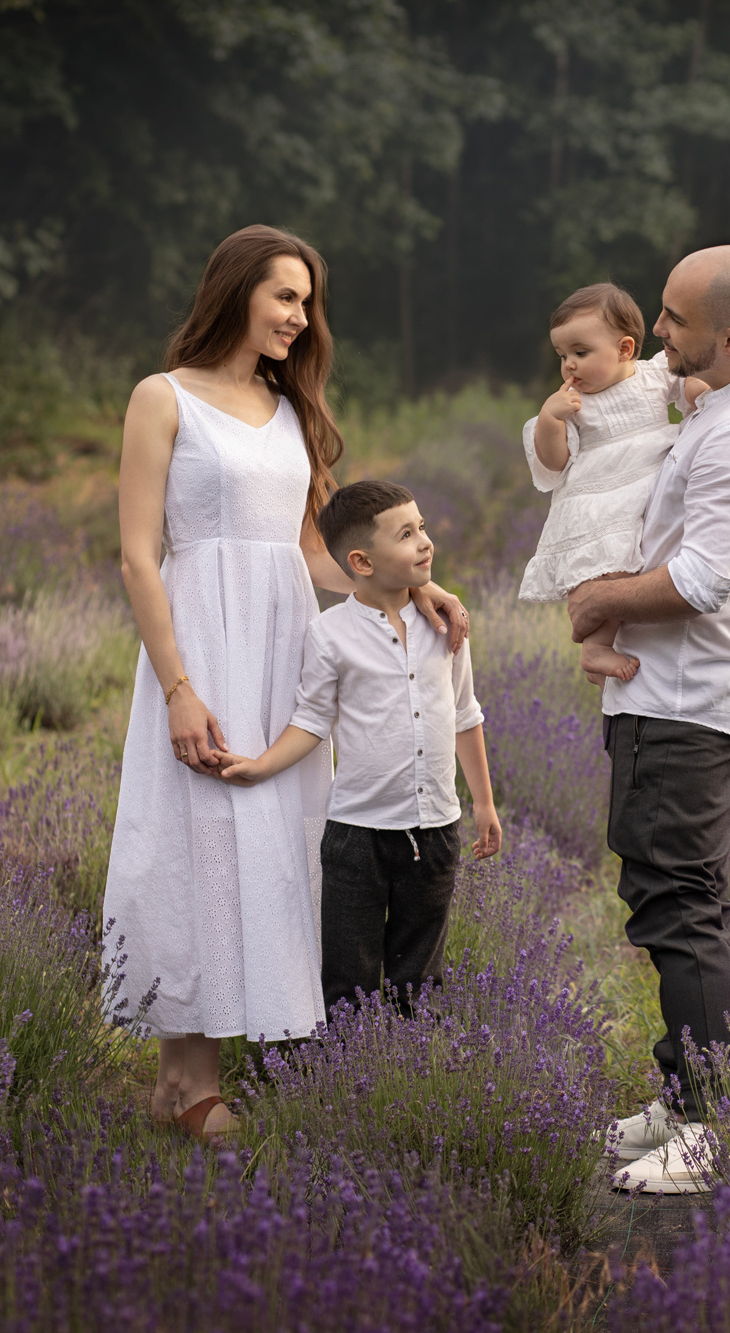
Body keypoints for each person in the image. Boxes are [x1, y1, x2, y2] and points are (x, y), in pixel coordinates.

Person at [102, 225, 469, 1142]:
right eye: (286, 298)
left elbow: (313, 551)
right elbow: (139, 557)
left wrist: (414, 587)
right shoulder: (164, 398)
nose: (302, 320)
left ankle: (251, 1046)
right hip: (199, 643)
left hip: (286, 647)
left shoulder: (291, 408)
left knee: (278, 844)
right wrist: (179, 684)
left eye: (308, 304)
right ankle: (184, 1080)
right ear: (236, 291)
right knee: (197, 835)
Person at [566, 246, 730, 1193]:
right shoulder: (727, 408)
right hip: (678, 699)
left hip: (688, 706)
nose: (658, 334)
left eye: (672, 320)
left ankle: (709, 1129)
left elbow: (705, 579)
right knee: (678, 900)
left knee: (681, 913)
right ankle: (683, 1098)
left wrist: (598, 604)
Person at [221, 480, 503, 1018]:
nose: (424, 542)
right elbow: (311, 720)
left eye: (421, 527)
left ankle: (411, 1080)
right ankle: (344, 1086)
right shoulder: (329, 635)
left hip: (436, 827)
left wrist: (484, 804)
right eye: (406, 534)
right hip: (358, 836)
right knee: (349, 978)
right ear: (362, 561)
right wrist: (260, 766)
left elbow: (466, 713)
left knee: (420, 977)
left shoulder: (446, 623)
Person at [519, 283, 706, 682]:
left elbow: (687, 384)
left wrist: (699, 390)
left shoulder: (654, 374)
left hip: (645, 483)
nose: (569, 365)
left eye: (580, 353)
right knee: (608, 571)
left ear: (624, 350)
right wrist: (551, 420)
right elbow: (554, 463)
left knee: (647, 565)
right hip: (601, 499)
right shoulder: (573, 405)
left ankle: (609, 645)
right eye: (562, 355)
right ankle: (596, 647)